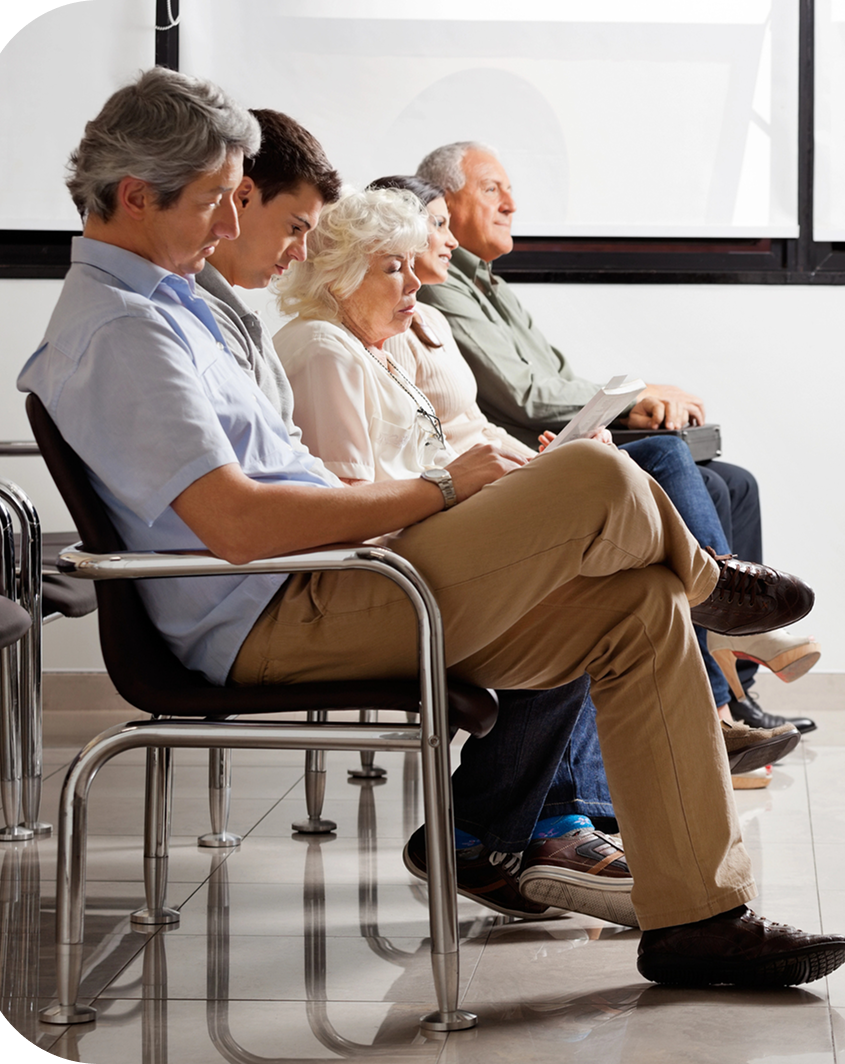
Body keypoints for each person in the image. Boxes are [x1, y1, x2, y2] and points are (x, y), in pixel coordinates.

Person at [18, 67, 845, 988]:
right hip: (278, 615)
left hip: (336, 577)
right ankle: (716, 589)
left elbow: (278, 484)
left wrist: (422, 498)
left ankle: (700, 915)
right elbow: (240, 523)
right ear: (137, 196)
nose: (229, 224)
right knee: (595, 474)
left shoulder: (187, 309)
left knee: (638, 602)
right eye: (217, 201)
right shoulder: (124, 332)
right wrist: (437, 491)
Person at [196, 107, 633, 924]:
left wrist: (495, 480)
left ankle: (535, 823)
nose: (417, 283)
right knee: (590, 549)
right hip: (363, 572)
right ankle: (518, 824)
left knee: (597, 533)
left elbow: (416, 468)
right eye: (393, 267)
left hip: (395, 550)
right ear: (338, 272)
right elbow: (350, 511)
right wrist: (464, 490)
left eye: (412, 265)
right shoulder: (322, 350)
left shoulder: (370, 346)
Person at [415, 142, 818, 733]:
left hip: (559, 444)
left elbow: (556, 376)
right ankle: (715, 698)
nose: (511, 204)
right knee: (691, 469)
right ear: (444, 201)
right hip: (538, 455)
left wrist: (637, 397)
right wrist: (637, 399)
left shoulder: (490, 286)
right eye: (491, 189)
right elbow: (525, 394)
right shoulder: (440, 288)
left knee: (736, 484)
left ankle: (737, 679)